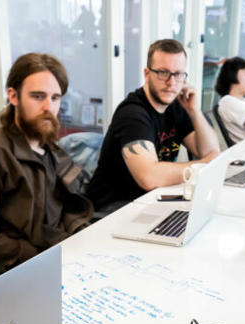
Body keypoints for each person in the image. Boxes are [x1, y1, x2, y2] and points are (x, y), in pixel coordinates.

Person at [0, 53, 93, 278]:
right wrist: (30, 253)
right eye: (38, 96)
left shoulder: (47, 145)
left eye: (56, 98)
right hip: (28, 268)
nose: (48, 107)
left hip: (63, 251)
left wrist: (78, 230)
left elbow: (60, 206)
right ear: (13, 96)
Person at [86, 39, 219, 215]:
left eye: (178, 74)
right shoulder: (132, 114)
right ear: (147, 74)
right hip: (111, 208)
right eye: (163, 73)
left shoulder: (178, 106)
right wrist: (201, 166)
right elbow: (149, 177)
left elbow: (211, 151)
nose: (171, 82)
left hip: (151, 198)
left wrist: (194, 111)